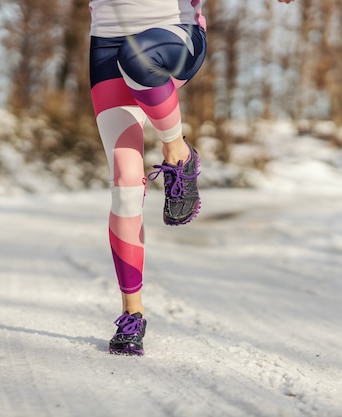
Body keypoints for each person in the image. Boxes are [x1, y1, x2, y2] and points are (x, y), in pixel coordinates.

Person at [89, 0, 294, 356]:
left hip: (174, 33)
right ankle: (132, 315)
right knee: (124, 185)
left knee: (138, 59)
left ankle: (177, 151)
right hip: (106, 41)